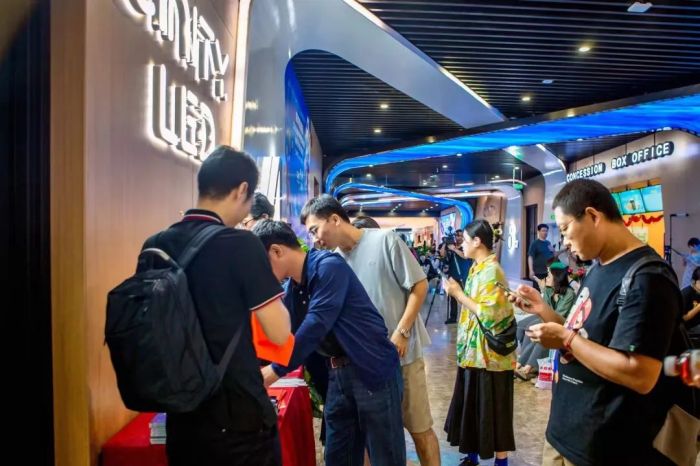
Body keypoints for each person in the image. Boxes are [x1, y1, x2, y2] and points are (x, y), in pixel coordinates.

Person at [509, 179, 692, 466]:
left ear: (593, 216)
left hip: (604, 447)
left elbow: (640, 374)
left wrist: (566, 339)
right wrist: (542, 309)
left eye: (565, 229)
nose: (564, 241)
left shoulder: (647, 278)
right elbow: (584, 334)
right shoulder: (598, 267)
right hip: (565, 433)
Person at [143, 146, 292, 466]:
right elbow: (280, 333)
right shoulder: (242, 243)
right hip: (238, 416)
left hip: (181, 414)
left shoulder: (155, 245)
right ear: (241, 190)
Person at [301, 195, 441, 466]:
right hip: (365, 365)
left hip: (403, 356)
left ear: (334, 219)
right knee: (369, 439)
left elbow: (419, 285)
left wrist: (402, 331)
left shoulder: (385, 240)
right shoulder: (333, 261)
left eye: (315, 230)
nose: (315, 239)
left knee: (419, 429)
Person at [252, 220, 405, 466]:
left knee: (385, 456)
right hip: (337, 375)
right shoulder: (294, 288)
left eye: (261, 265)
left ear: (277, 251)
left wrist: (274, 371)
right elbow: (282, 334)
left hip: (371, 370)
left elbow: (316, 324)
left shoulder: (329, 267)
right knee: (337, 456)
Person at [443, 219, 516, 466]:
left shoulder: (492, 271)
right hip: (473, 353)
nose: (461, 245)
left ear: (477, 241)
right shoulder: (477, 267)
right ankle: (472, 455)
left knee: (494, 407)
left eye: (464, 240)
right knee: (472, 404)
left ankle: (501, 461)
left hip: (490, 356)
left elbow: (488, 313)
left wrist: (457, 294)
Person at [515, 262, 576, 381]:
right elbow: (544, 308)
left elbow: (558, 315)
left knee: (539, 331)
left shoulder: (569, 293)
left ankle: (528, 367)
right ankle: (522, 362)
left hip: (561, 322)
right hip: (545, 317)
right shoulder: (548, 290)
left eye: (548, 276)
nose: (545, 278)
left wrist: (543, 313)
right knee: (525, 326)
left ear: (557, 278)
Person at [440, 229, 473, 324]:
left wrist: (454, 249)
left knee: (465, 297)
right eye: (457, 235)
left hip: (463, 275)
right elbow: (442, 254)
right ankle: (453, 317)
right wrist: (445, 244)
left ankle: (468, 317)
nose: (458, 237)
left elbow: (465, 256)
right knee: (453, 298)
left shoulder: (466, 246)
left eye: (460, 236)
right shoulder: (452, 246)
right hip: (452, 275)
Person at [528, 224, 554, 291]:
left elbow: (554, 253)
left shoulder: (548, 243)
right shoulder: (535, 243)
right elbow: (530, 257)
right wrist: (531, 270)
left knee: (547, 291)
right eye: (543, 231)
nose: (545, 232)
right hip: (538, 273)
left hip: (548, 272)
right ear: (539, 232)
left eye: (546, 231)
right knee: (538, 291)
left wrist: (564, 249)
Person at [681, 267, 700, 343]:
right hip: (689, 328)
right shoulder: (686, 294)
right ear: (694, 281)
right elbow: (683, 319)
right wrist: (698, 307)